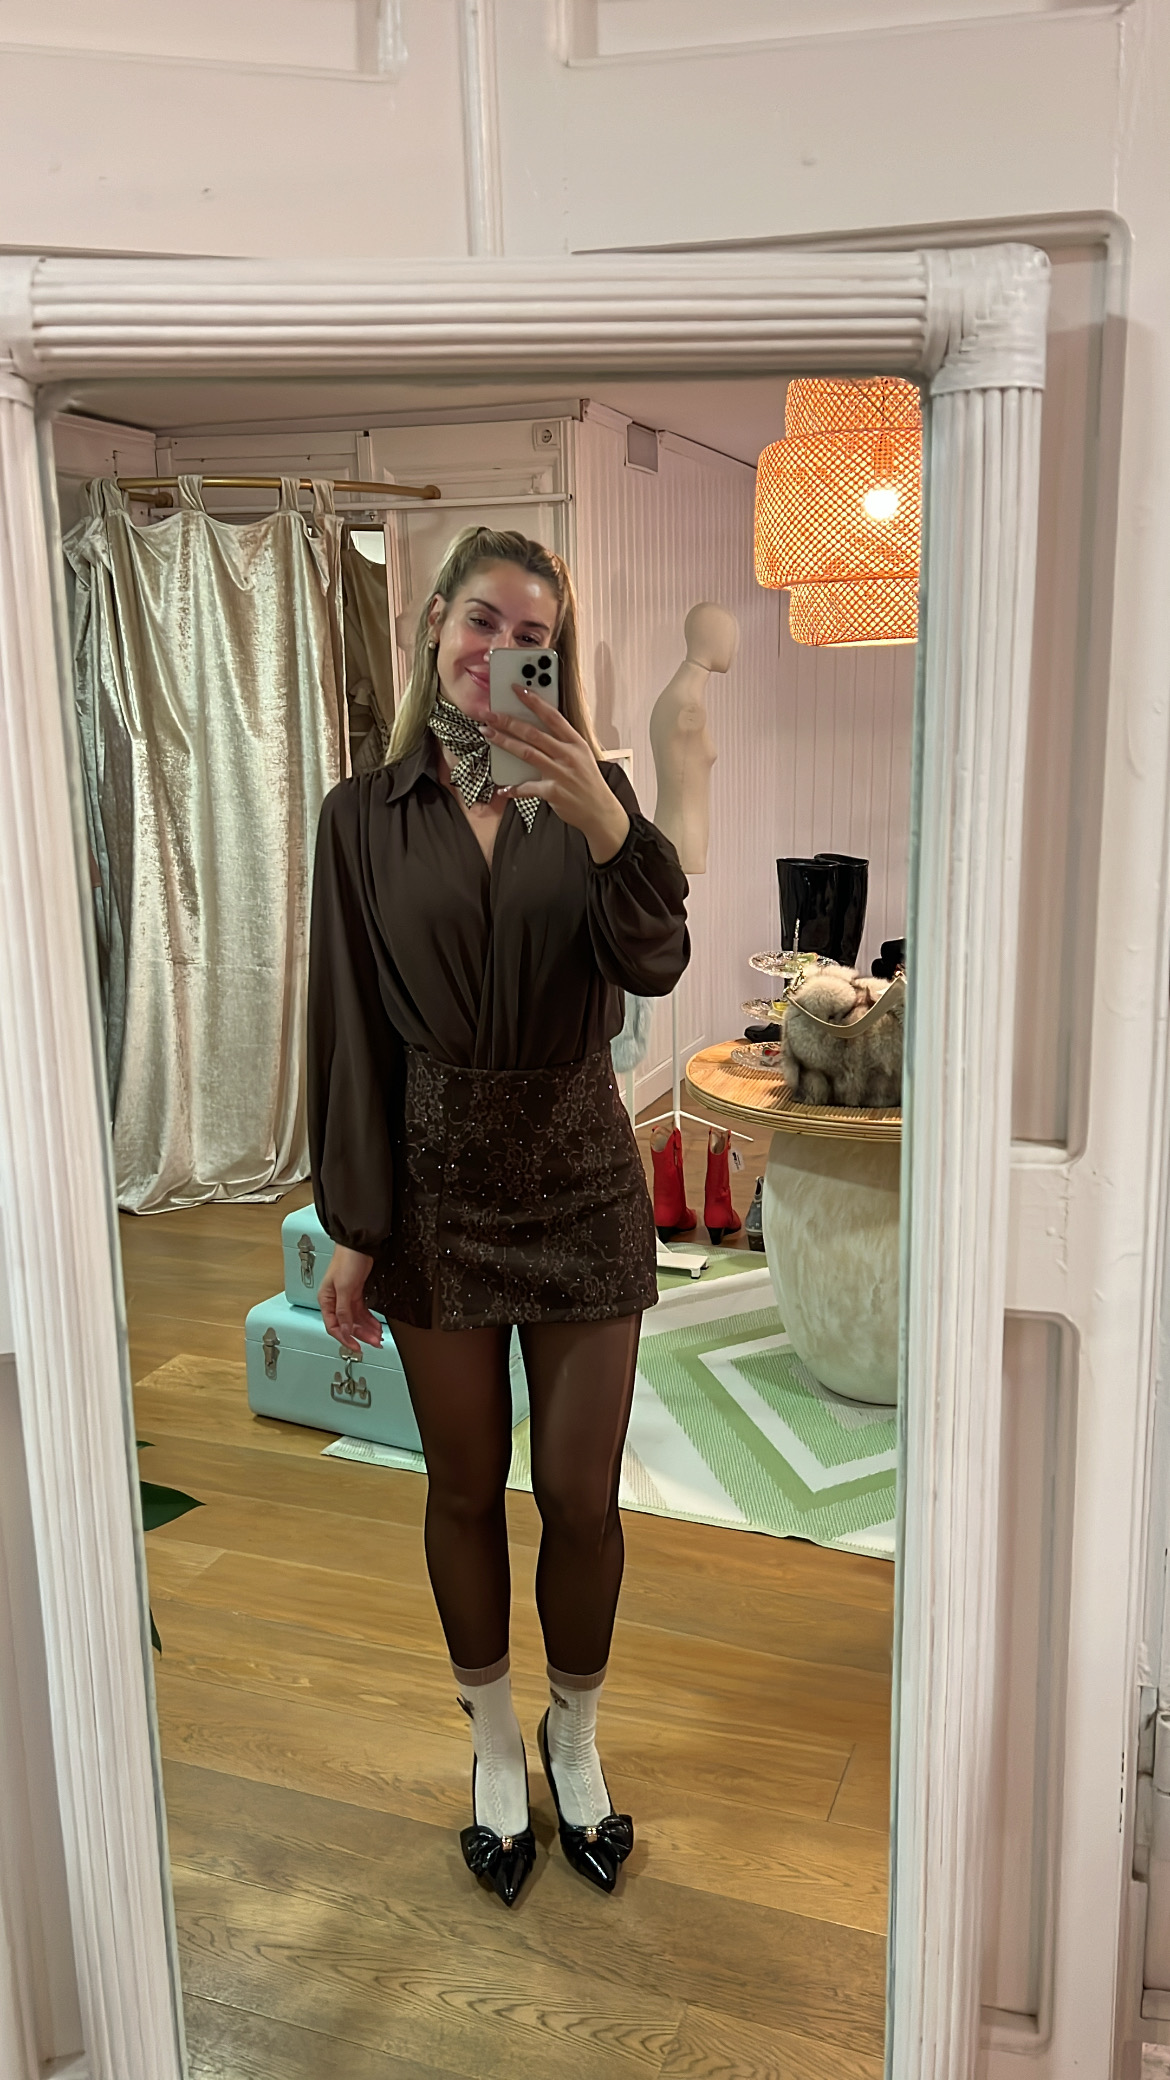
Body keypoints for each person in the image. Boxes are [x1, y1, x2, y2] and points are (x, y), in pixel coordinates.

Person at [307, 526, 689, 1907]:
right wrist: (354, 1220)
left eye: (533, 636)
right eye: (481, 620)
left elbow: (658, 955)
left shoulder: (597, 796)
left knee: (580, 1499)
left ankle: (572, 1736)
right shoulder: (361, 816)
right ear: (432, 624)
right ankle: (487, 1743)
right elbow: (349, 1025)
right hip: (436, 1191)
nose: (500, 651)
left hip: (580, 1175)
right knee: (462, 1487)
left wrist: (606, 825)